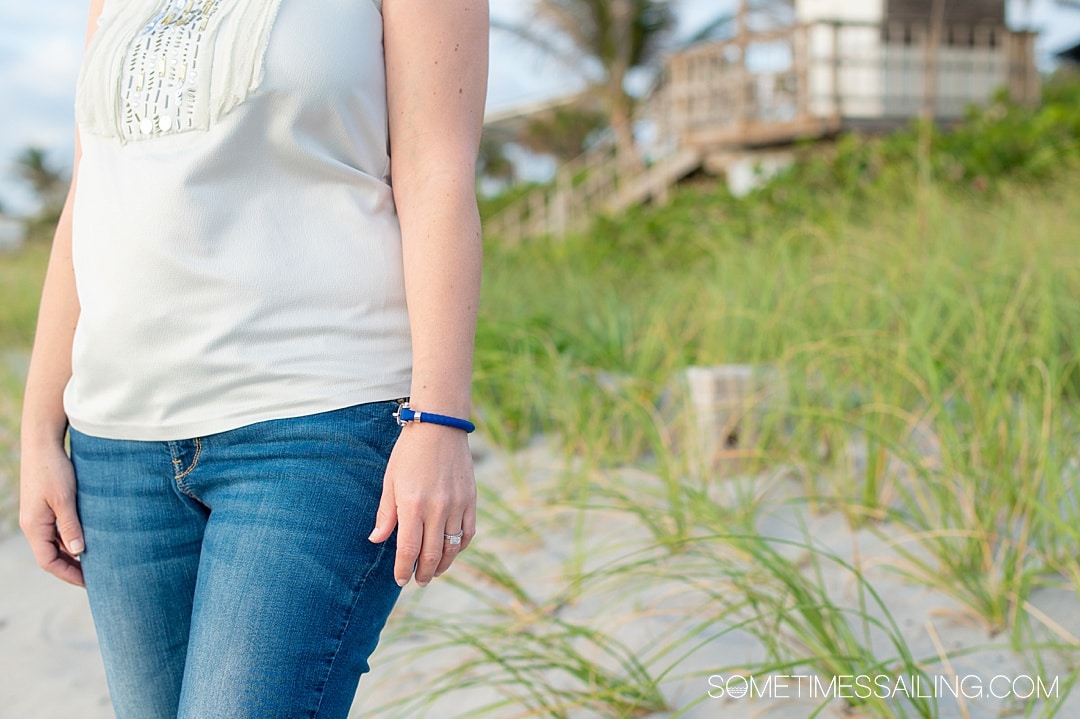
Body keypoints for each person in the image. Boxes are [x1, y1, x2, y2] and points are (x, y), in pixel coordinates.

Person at [18, 0, 488, 716]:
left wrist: (440, 418)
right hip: (117, 449)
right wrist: (37, 435)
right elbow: (90, 195)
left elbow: (436, 175)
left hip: (316, 426)